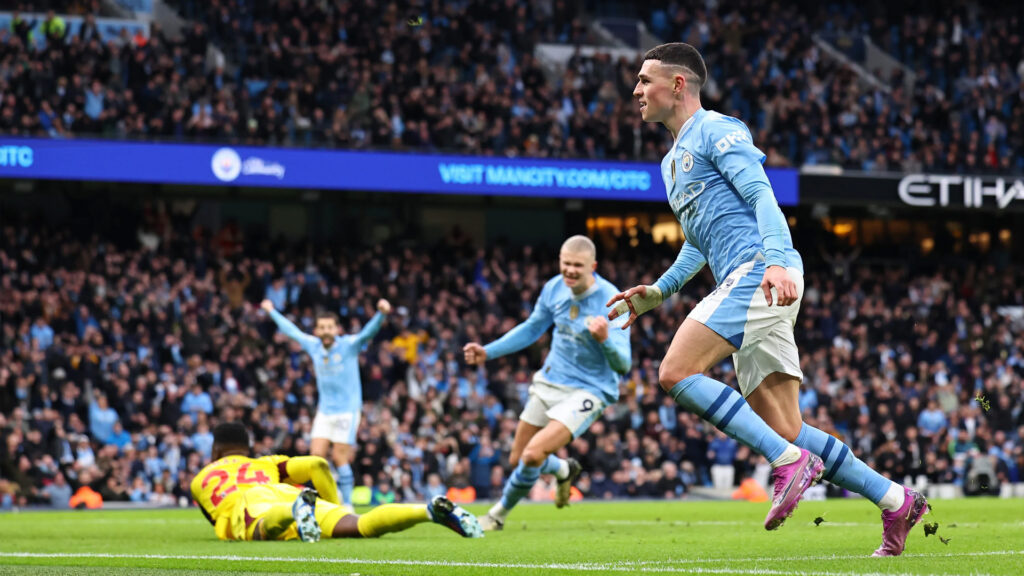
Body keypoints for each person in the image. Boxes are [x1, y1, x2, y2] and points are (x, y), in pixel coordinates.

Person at [608, 42, 927, 556]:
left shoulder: (718, 129)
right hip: (751, 280)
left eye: (645, 80)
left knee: (675, 372)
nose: (636, 90)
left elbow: (762, 194)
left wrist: (776, 259)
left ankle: (786, 463)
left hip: (760, 271)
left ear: (677, 84)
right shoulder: (670, 163)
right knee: (787, 428)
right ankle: (896, 499)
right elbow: (698, 241)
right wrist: (660, 290)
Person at [464, 235, 631, 530]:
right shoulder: (554, 288)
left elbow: (623, 365)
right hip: (550, 381)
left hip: (589, 389)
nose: (570, 270)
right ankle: (563, 469)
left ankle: (496, 516)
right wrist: (487, 352)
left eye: (577, 265)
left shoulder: (612, 301)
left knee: (532, 454)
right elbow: (531, 329)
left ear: (593, 266)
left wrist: (605, 340)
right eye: (566, 263)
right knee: (518, 457)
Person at [190, 422, 482, 541]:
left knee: (262, 529)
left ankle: (295, 511)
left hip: (250, 502)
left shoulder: (201, 478)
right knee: (361, 525)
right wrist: (334, 507)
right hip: (283, 489)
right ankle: (427, 511)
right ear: (247, 449)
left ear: (215, 451)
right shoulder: (265, 463)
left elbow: (214, 518)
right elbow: (317, 464)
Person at [261, 297, 390, 506]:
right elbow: (291, 331)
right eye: (322, 327)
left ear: (337, 329)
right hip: (325, 411)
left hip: (347, 410)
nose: (326, 331)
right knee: (316, 458)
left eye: (330, 327)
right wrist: (271, 311)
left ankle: (347, 505)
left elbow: (368, 333)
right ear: (316, 331)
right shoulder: (314, 346)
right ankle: (332, 496)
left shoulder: (348, 346)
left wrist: (381, 314)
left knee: (340, 457)